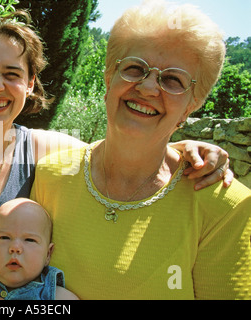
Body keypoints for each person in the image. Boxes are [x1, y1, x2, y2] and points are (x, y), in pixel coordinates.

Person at [0, 10, 233, 297]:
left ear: (30, 83)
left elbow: (124, 150)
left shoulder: (49, 150)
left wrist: (182, 150)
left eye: (12, 74)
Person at [30, 0, 251, 300]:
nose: (148, 88)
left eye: (173, 79)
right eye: (135, 68)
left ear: (191, 105)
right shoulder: (50, 177)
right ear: (109, 78)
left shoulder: (223, 205)